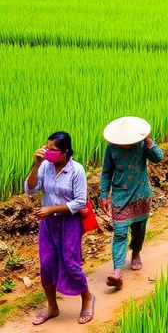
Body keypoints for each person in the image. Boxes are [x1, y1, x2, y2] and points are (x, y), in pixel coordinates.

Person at [24, 131, 95, 326]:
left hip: (69, 222)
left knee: (70, 262)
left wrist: (51, 209)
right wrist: (36, 165)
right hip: (48, 224)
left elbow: (80, 202)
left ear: (64, 152)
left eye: (53, 150)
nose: (48, 152)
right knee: (46, 264)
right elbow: (30, 189)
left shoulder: (76, 170)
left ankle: (87, 297)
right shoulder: (45, 166)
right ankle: (52, 307)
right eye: (47, 148)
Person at [100, 117, 163, 291]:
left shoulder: (142, 145)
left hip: (141, 195)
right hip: (120, 197)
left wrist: (149, 141)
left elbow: (159, 157)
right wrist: (104, 195)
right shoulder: (112, 149)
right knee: (119, 233)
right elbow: (106, 172)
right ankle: (117, 272)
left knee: (139, 230)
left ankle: (136, 252)